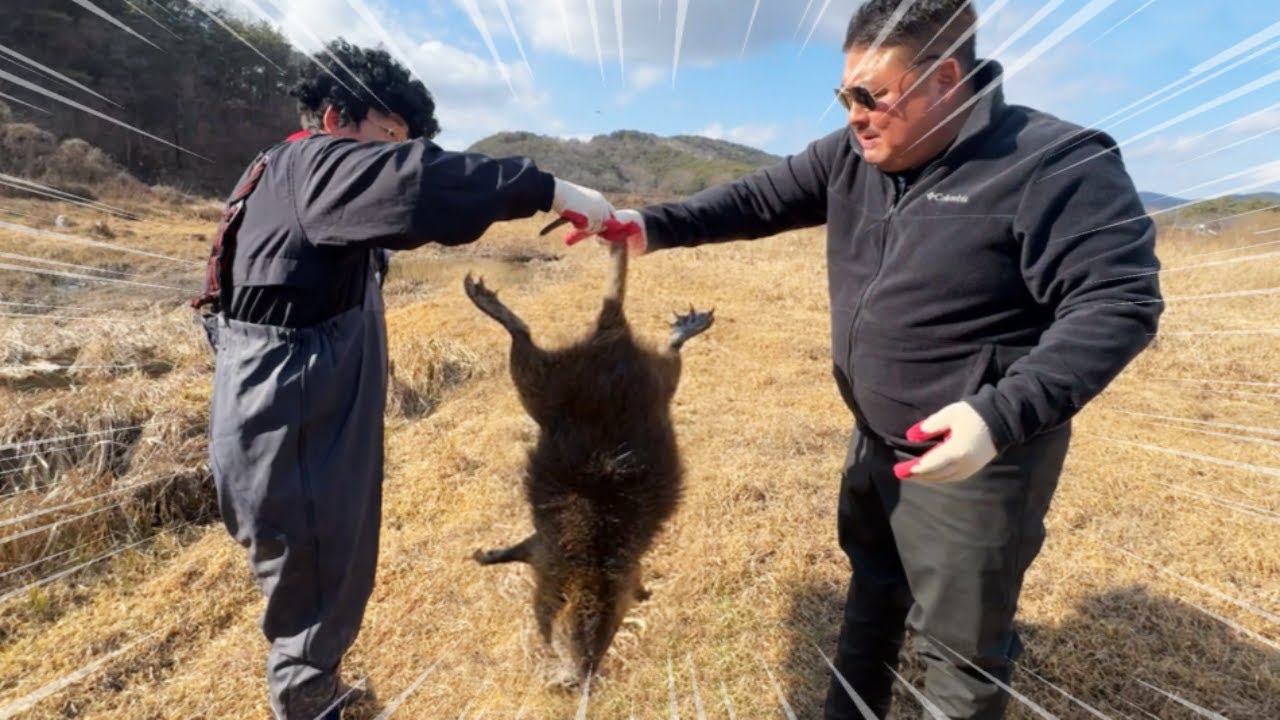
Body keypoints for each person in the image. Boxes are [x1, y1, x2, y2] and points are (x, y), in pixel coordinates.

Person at [583, 1, 1164, 717]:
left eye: (871, 95)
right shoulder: (854, 156)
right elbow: (756, 199)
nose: (854, 115)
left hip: (977, 463)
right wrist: (647, 224)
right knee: (872, 596)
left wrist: (997, 416)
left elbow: (1119, 303)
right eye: (844, 95)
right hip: (875, 441)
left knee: (960, 655)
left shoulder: (1055, 164)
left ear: (946, 78)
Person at [193, 40, 619, 720]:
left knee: (314, 564)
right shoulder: (314, 163)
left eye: (400, 142)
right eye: (384, 139)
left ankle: (312, 686)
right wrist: (552, 190)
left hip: (292, 412)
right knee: (314, 569)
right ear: (335, 118)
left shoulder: (281, 173)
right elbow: (419, 184)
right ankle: (309, 703)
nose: (390, 156)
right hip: (294, 421)